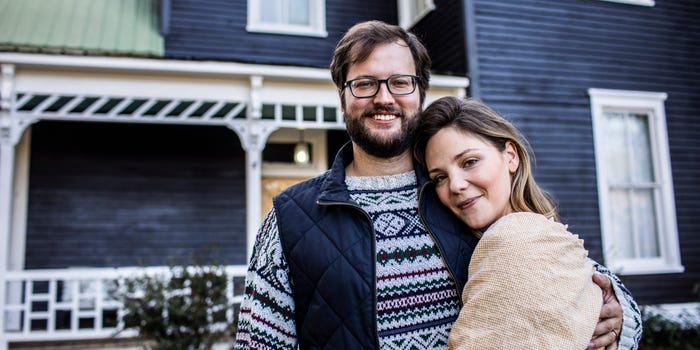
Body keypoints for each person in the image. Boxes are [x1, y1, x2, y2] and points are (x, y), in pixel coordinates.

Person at [234, 20, 642, 350]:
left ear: (420, 93)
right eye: (364, 83)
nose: (384, 97)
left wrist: (620, 313)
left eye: (400, 82)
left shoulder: (462, 193)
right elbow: (258, 343)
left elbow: (564, 266)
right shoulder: (290, 218)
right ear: (343, 98)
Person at [414, 96, 614, 349]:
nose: (455, 185)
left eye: (470, 162)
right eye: (440, 177)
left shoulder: (518, 238)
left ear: (510, 156)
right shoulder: (543, 235)